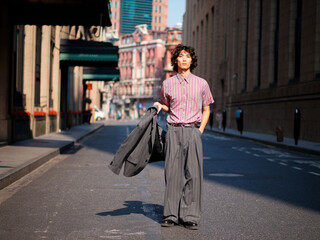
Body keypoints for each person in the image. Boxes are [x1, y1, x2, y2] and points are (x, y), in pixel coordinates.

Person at [153, 44, 214, 230]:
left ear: (192, 60)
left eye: (187, 56)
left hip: (193, 131)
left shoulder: (202, 83)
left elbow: (206, 109)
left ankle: (190, 216)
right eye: (181, 56)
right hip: (173, 130)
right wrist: (159, 106)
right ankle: (170, 215)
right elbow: (167, 106)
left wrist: (200, 130)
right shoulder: (168, 84)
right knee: (172, 174)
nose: (184, 59)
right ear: (176, 60)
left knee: (193, 175)